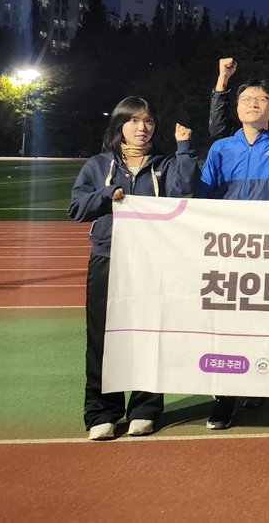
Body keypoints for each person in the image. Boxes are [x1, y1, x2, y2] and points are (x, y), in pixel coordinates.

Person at [69, 97, 198, 441]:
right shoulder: (99, 165)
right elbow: (77, 207)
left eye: (149, 121)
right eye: (134, 121)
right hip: (109, 258)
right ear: (120, 125)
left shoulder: (165, 164)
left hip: (153, 260)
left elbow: (185, 190)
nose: (142, 128)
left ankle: (145, 408)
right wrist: (105, 195)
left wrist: (184, 148)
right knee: (102, 339)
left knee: (150, 334)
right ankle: (102, 412)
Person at [197, 79, 269, 430]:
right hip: (232, 250)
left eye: (261, 98)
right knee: (232, 326)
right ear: (237, 107)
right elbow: (205, 196)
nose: (253, 103)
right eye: (246, 98)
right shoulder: (221, 148)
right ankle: (227, 398)